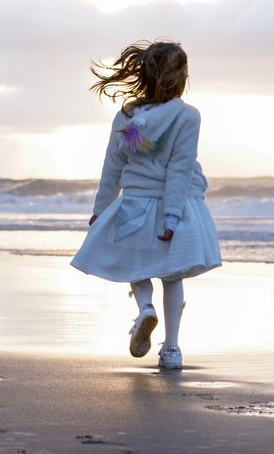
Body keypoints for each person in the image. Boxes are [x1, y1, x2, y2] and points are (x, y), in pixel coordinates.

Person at [71, 40, 221, 369]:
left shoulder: (127, 115)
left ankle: (144, 308)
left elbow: (111, 168)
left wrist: (101, 208)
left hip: (135, 202)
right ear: (180, 77)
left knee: (133, 264)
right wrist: (171, 216)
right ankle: (171, 349)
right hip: (171, 205)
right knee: (172, 275)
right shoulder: (187, 116)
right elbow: (179, 169)